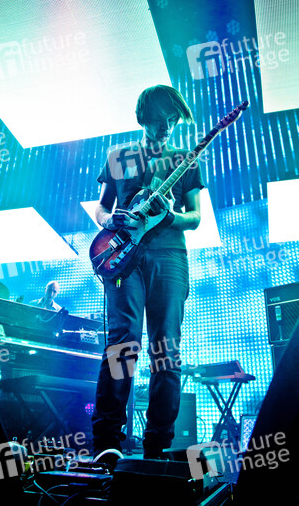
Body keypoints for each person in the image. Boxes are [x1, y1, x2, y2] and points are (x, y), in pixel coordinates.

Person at [91, 84, 204, 468]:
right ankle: (107, 443)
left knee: (165, 349)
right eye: (159, 119)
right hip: (123, 257)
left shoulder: (185, 159)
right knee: (123, 343)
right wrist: (110, 219)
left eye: (172, 120)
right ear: (143, 117)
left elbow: (195, 217)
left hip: (169, 257)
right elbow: (101, 209)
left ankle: (157, 448)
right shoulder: (118, 156)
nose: (166, 127)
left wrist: (170, 216)